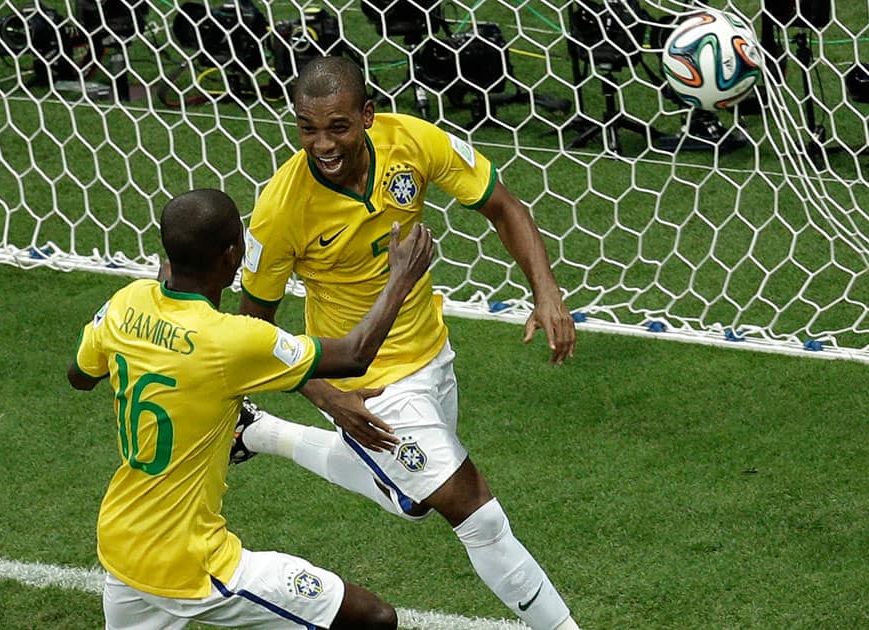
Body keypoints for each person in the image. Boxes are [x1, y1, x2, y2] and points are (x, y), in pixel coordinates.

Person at [234, 56, 580, 630]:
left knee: (412, 499)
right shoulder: (280, 209)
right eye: (307, 128)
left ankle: (261, 432)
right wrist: (324, 394)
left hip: (432, 355)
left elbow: (504, 205)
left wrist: (546, 292)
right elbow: (254, 330)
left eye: (337, 126)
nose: (322, 144)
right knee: (476, 515)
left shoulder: (412, 142)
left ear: (368, 116)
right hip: (366, 383)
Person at [67, 188, 435, 630]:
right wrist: (401, 277)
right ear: (232, 254)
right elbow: (355, 355)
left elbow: (80, 375)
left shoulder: (128, 302)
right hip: (191, 562)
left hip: (123, 539)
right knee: (373, 619)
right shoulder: (232, 341)